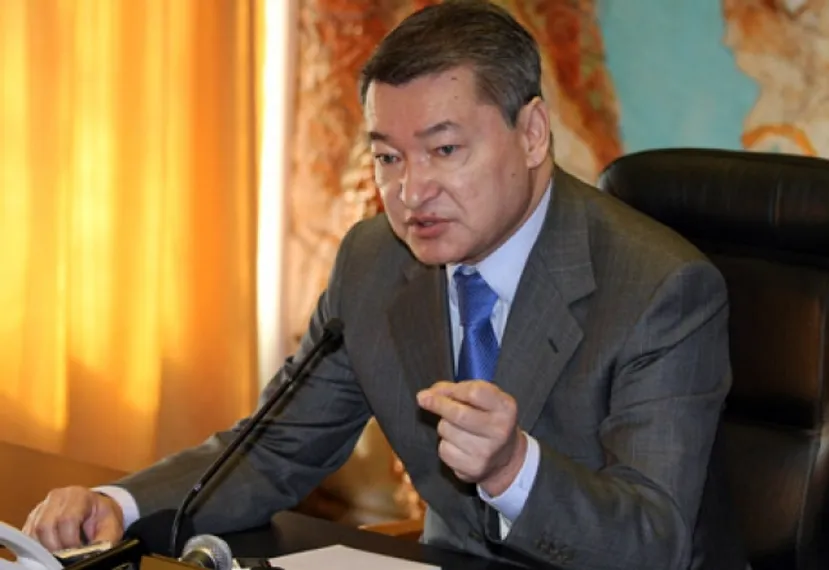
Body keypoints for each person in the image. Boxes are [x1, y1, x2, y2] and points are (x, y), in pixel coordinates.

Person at [23, 2, 747, 568]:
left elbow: (654, 543)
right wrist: (117, 505)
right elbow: (275, 450)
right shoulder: (375, 261)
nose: (411, 192)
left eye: (444, 149)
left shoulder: (662, 289)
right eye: (388, 158)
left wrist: (511, 468)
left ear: (532, 134)